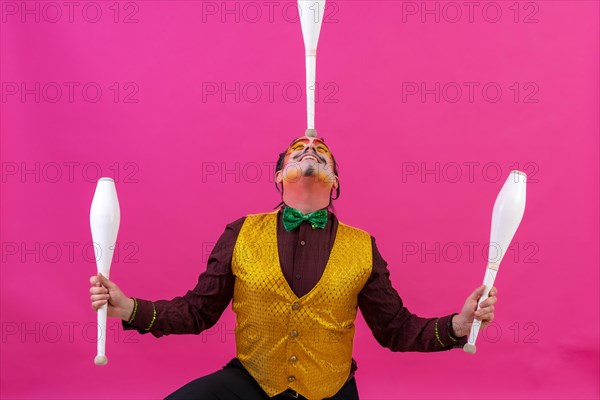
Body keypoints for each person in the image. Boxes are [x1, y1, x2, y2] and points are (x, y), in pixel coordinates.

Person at [89, 134, 498, 400]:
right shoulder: (240, 232)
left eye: (322, 152)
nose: (310, 149)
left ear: (335, 181)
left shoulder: (362, 246)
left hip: (331, 391)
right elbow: (198, 312)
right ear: (279, 176)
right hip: (251, 383)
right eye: (298, 150)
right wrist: (129, 308)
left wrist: (459, 325)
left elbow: (395, 328)